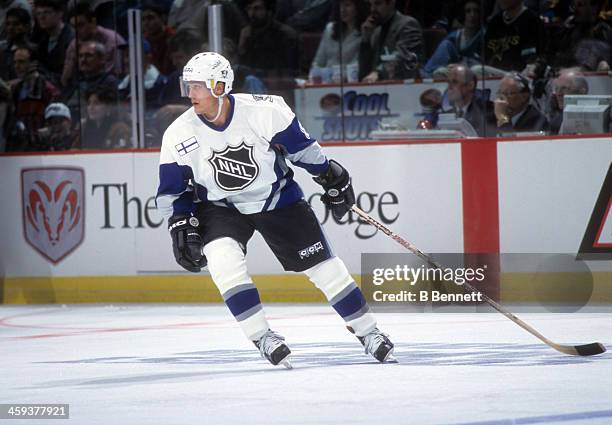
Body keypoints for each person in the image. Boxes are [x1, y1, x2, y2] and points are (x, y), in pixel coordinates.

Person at [155, 51, 395, 367]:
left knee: (324, 267)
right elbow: (173, 191)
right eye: (188, 85)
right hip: (219, 207)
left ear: (219, 86)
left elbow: (302, 149)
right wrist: (180, 220)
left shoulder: (264, 111)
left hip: (276, 199)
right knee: (223, 261)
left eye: (198, 86)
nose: (190, 93)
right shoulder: (178, 133)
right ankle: (262, 337)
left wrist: (328, 175)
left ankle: (369, 332)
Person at [358, 0, 425, 82]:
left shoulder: (408, 24)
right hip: (378, 86)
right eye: (370, 4)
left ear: (391, 3)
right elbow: (364, 72)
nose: (372, 9)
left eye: (378, 3)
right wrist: (365, 40)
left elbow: (404, 56)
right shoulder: (376, 31)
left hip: (405, 85)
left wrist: (379, 73)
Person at [422, 0, 484, 78]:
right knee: (445, 47)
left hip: (476, 72)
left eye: (476, 11)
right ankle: (424, 75)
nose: (472, 15)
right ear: (462, 14)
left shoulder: (485, 35)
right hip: (455, 69)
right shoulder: (454, 36)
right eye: (468, 11)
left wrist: (462, 64)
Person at [238, 0, 299, 78]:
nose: (251, 14)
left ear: (269, 11)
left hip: (276, 83)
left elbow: (290, 70)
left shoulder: (285, 34)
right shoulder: (246, 33)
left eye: (257, 9)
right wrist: (242, 46)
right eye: (249, 9)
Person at [310, 0, 368, 73]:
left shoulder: (364, 32)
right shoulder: (330, 29)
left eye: (347, 5)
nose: (343, 10)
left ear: (358, 7)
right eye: (341, 6)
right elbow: (319, 61)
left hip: (349, 80)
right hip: (326, 79)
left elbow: (358, 65)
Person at [445, 64, 495, 136]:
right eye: (448, 82)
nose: (449, 87)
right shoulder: (446, 115)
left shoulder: (488, 110)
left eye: (455, 82)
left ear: (470, 85)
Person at [547, 67, 589, 134]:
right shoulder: (555, 122)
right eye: (557, 89)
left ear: (582, 92)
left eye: (564, 88)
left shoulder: (594, 120)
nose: (559, 93)